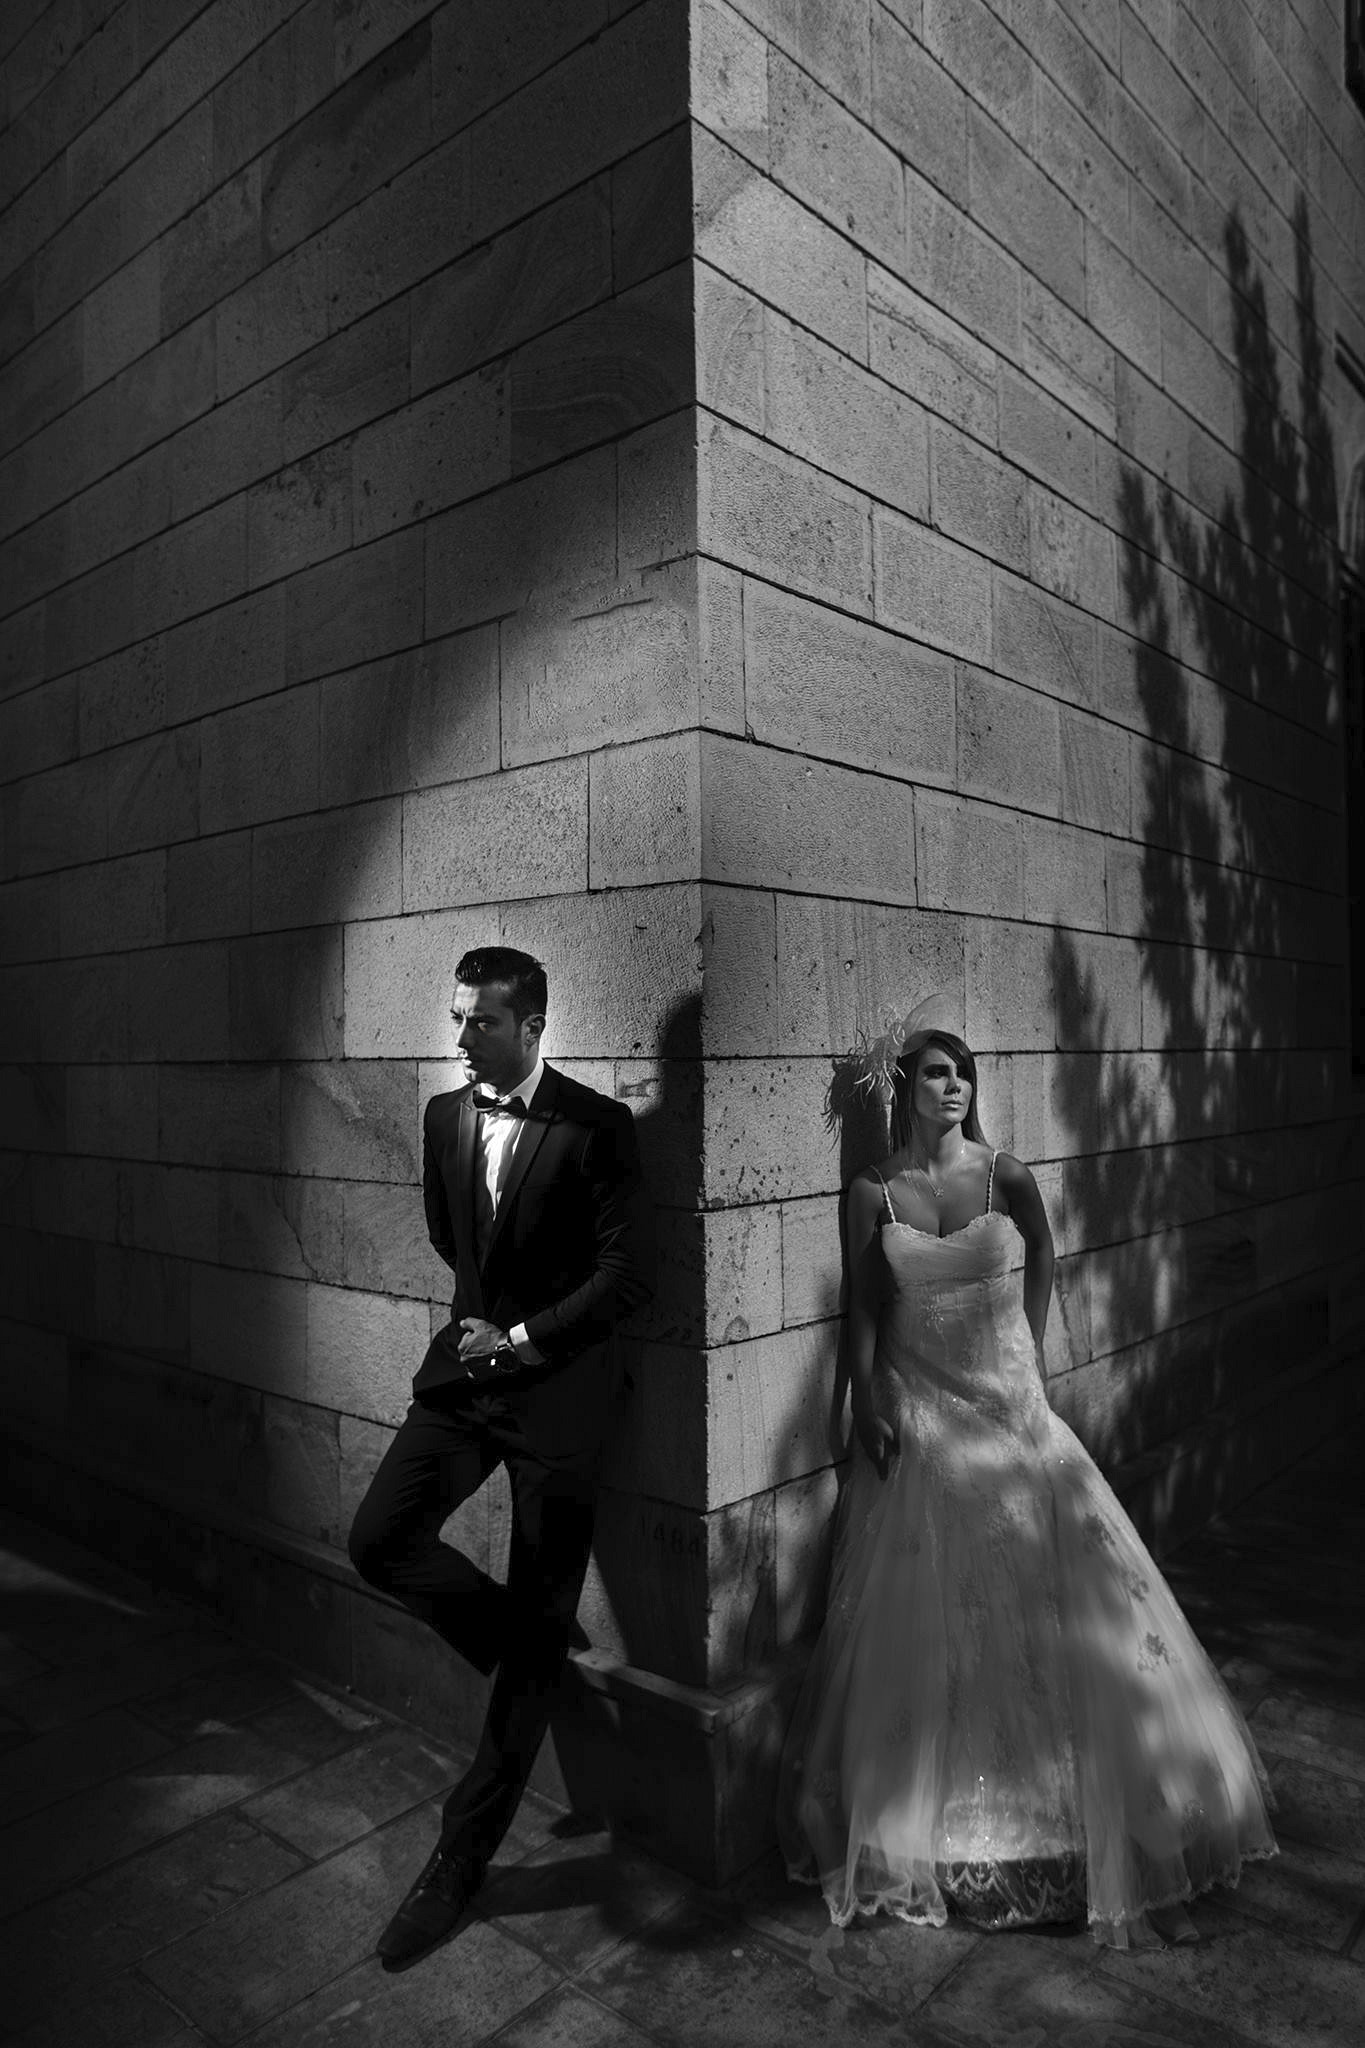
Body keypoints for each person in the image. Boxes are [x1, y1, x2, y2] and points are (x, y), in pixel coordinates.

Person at [778, 1012, 1276, 1949]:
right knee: (940, 1604)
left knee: (1059, 1585)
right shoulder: (872, 1190)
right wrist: (863, 1401)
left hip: (1005, 1398)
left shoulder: (1002, 1172)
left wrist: (1028, 1348)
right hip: (923, 1407)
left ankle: (1095, 1804)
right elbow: (863, 1302)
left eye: (962, 1073)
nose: (952, 1087)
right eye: (936, 1073)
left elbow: (1044, 1251)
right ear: (904, 1088)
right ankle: (944, 1812)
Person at [349, 946, 653, 1967]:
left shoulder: (598, 1126)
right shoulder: (445, 1117)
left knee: (532, 1637)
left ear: (532, 1025)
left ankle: (459, 1858)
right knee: (379, 1537)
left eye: (480, 1021)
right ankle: (529, 1640)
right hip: (465, 1384)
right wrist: (487, 1339)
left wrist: (520, 1340)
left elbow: (626, 1275)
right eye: (457, 1017)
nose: (462, 1036)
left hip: (560, 1397)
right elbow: (455, 1241)